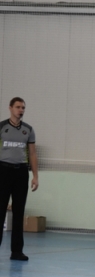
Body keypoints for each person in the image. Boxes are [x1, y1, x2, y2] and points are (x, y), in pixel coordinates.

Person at [0, 97, 38, 261]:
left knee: (19, 211)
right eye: (18, 107)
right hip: (3, 171)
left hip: (21, 172)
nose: (21, 110)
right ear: (10, 108)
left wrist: (35, 176)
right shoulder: (2, 127)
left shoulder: (28, 129)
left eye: (23, 107)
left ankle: (16, 251)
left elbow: (32, 154)